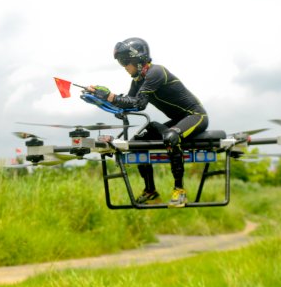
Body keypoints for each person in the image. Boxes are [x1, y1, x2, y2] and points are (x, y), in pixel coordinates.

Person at [88, 37, 208, 208]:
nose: (124, 67)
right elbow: (129, 103)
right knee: (138, 142)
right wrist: (99, 96)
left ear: (138, 59)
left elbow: (139, 103)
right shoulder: (137, 80)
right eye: (121, 62)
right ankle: (151, 191)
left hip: (196, 116)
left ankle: (180, 191)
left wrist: (110, 97)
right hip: (179, 120)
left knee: (171, 136)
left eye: (125, 61)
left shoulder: (156, 72)